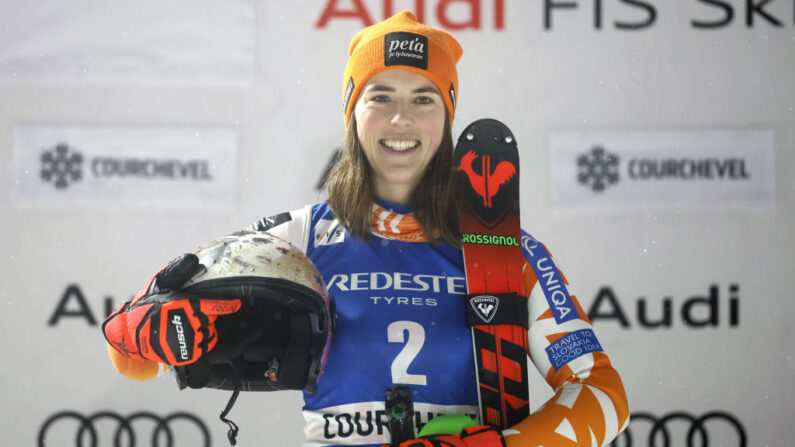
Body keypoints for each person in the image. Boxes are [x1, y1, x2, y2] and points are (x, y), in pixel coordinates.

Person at [102, 11, 629, 446]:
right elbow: (132, 358)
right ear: (353, 111)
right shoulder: (296, 239)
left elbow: (603, 393)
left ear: (447, 118)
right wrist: (149, 332)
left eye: (424, 98)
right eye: (381, 96)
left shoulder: (503, 250)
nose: (402, 118)